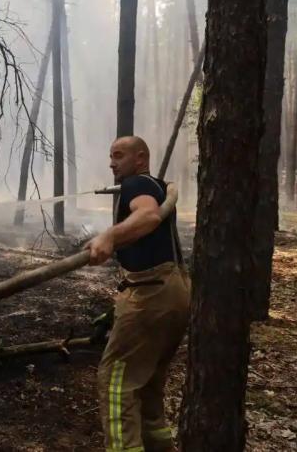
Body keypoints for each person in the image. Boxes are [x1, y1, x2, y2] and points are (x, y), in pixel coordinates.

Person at [85, 136, 190, 452]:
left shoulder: (135, 186)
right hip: (174, 292)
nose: (111, 163)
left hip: (150, 294)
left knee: (115, 381)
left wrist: (109, 235)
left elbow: (147, 216)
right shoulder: (157, 186)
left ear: (141, 158)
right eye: (110, 156)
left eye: (118, 155)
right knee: (147, 386)